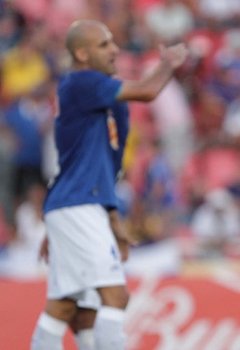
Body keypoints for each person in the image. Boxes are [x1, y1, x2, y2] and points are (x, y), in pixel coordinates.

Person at [30, 20, 188, 350]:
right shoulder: (83, 83)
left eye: (113, 42)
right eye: (104, 44)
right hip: (78, 206)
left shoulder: (104, 102)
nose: (115, 49)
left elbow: (88, 169)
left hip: (74, 205)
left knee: (71, 307)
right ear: (82, 53)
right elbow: (147, 90)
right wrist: (167, 64)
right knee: (115, 295)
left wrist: (110, 220)